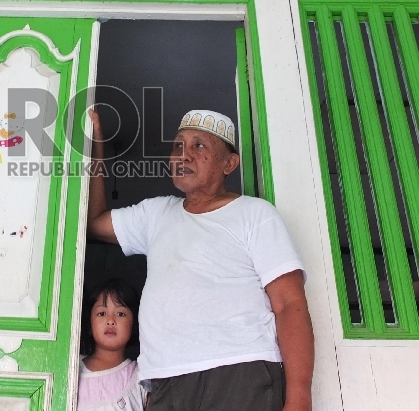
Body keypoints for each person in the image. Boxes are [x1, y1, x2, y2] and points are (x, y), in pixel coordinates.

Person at [87, 109, 314, 411]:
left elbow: (289, 303)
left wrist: (299, 396)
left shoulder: (254, 214)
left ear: (228, 163)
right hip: (166, 380)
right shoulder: (156, 214)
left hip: (239, 372)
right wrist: (95, 144)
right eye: (178, 146)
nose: (184, 155)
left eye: (199, 146)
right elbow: (94, 224)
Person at [78, 278, 148, 411]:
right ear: (89, 325)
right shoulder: (72, 368)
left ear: (134, 324)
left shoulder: (140, 377)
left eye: (120, 314)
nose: (110, 320)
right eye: (102, 313)